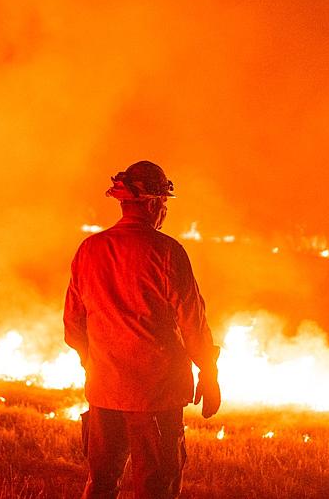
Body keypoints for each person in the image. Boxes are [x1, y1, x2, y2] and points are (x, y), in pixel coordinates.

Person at [64, 161, 221, 499]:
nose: (164, 210)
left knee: (101, 484)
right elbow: (192, 322)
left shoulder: (89, 251)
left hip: (104, 393)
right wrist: (209, 371)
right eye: (163, 203)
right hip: (157, 395)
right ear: (152, 204)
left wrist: (97, 365)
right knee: (156, 487)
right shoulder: (168, 252)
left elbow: (73, 324)